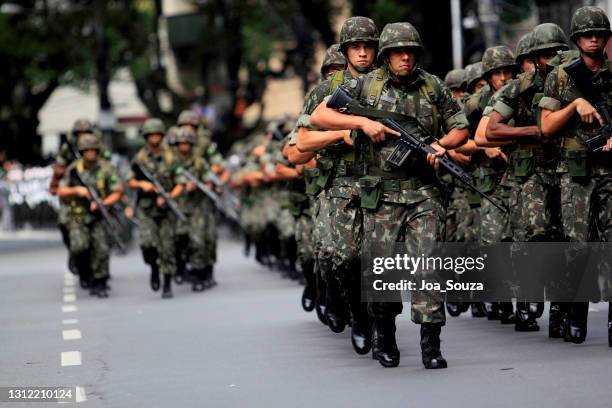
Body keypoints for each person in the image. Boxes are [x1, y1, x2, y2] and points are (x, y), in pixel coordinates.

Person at [310, 22, 469, 368]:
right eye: (398, 52)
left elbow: (461, 127)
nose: (405, 57)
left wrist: (440, 146)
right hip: (381, 197)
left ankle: (432, 346)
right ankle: (384, 334)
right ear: (386, 55)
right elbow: (320, 115)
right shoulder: (364, 85)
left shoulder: (432, 86)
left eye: (411, 51)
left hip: (424, 193)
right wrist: (360, 124)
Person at [296, 16, 379, 354]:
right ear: (346, 51)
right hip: (342, 183)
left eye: (368, 46)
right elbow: (302, 142)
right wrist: (341, 133)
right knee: (345, 257)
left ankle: (380, 324)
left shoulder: (391, 85)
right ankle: (358, 312)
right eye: (355, 47)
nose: (362, 53)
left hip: (386, 182)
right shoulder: (327, 89)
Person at [484, 23, 569, 332]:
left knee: (565, 238)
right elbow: (489, 131)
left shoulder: (575, 81)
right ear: (533, 59)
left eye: (559, 52)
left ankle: (562, 309)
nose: (554, 59)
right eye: (546, 55)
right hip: (529, 170)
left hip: (568, 169)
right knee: (534, 233)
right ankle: (527, 297)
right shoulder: (520, 87)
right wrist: (534, 131)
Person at [539, 6, 612, 345]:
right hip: (576, 172)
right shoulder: (562, 76)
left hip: (610, 171)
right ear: (577, 39)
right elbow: (546, 127)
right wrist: (574, 106)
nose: (593, 38)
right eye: (587, 34)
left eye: (598, 33)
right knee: (578, 245)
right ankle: (575, 313)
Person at [57, 133, 123, 298]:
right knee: (80, 246)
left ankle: (100, 282)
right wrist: (77, 190)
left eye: (93, 150)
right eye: (86, 150)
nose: (90, 153)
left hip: (100, 214)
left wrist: (104, 203)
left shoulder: (106, 168)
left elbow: (118, 191)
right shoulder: (74, 169)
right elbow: (61, 190)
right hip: (79, 215)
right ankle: (84, 271)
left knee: (102, 248)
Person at [128, 118, 184, 299]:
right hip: (146, 208)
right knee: (147, 244)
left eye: (157, 134)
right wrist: (142, 185)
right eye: (151, 135)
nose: (154, 138)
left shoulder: (171, 157)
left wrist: (168, 197)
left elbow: (180, 183)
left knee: (167, 247)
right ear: (146, 137)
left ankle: (167, 283)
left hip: (167, 209)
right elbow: (130, 180)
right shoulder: (140, 158)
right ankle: (153, 267)